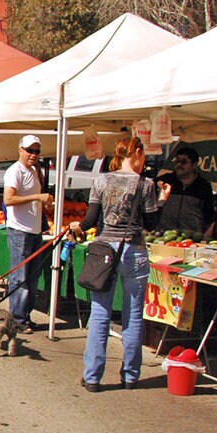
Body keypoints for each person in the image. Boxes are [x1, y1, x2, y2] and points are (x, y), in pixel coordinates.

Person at [69, 136, 168, 392]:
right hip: (134, 251)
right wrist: (162, 200)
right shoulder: (145, 184)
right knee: (132, 315)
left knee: (100, 314)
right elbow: (151, 224)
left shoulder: (101, 181)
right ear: (138, 153)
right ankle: (130, 376)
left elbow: (91, 220)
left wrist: (77, 226)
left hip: (105, 251)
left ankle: (92, 377)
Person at [2, 135, 53, 334]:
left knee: (32, 277)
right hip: (19, 230)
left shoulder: (34, 171)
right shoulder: (14, 171)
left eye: (37, 151)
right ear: (20, 150)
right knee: (20, 277)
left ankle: (25, 317)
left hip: (34, 230)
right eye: (30, 150)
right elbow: (8, 199)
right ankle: (17, 320)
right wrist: (37, 197)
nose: (33, 155)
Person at [156, 147, 214, 234]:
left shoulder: (203, 186)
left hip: (191, 236)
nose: (179, 165)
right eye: (177, 161)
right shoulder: (165, 181)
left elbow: (208, 215)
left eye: (183, 162)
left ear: (194, 165)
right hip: (164, 234)